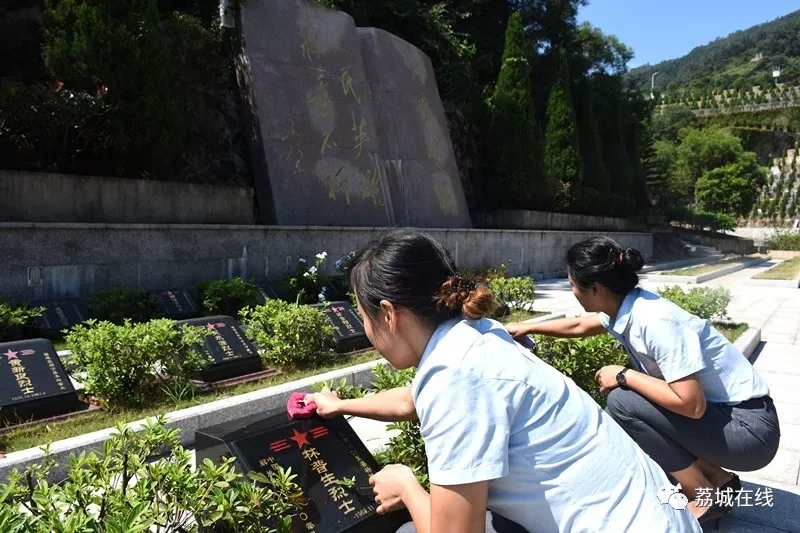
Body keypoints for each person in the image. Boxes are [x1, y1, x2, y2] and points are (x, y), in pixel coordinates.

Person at [305, 228, 702, 533]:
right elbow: (412, 400)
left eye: (364, 316)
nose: (366, 329)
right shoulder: (477, 334)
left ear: (389, 314)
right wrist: (341, 405)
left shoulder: (454, 377)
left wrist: (406, 485)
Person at [506, 236, 780, 527]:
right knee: (632, 402)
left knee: (622, 401)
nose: (571, 290)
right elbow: (580, 325)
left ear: (596, 288)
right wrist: (528, 326)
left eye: (572, 284)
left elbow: (692, 405)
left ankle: (703, 494)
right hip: (730, 419)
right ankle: (718, 479)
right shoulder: (628, 306)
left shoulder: (655, 321)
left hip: (749, 432)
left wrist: (623, 375)